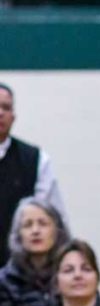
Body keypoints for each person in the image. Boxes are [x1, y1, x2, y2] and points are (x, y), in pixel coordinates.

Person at [0, 83, 68, 267]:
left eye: (6, 107)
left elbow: (56, 219)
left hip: (22, 272)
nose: (0, 113)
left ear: (13, 116)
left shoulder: (35, 159)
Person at [0, 197, 68, 306]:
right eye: (28, 225)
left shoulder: (69, 273)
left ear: (57, 230)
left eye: (43, 224)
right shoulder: (5, 282)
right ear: (18, 234)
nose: (35, 231)